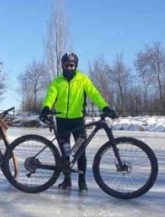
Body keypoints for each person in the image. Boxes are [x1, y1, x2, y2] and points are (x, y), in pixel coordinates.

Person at [39, 52, 117, 194]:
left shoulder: (83, 79)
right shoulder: (57, 81)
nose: (69, 68)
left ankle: (82, 181)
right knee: (66, 152)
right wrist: (46, 107)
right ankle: (67, 181)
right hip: (62, 121)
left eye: (72, 65)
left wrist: (104, 107)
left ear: (76, 66)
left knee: (80, 152)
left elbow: (94, 94)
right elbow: (51, 95)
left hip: (77, 121)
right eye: (66, 65)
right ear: (62, 66)